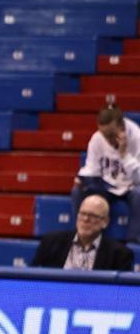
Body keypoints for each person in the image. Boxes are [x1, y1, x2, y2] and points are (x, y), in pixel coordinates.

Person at [71, 103, 140, 244]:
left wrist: (124, 155)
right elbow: (92, 168)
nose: (108, 140)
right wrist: (82, 178)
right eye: (104, 135)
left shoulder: (137, 137)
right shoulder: (97, 138)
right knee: (77, 191)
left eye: (111, 135)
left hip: (132, 186)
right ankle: (82, 237)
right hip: (107, 185)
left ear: (122, 127)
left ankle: (133, 242)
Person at [33, 194, 136, 270]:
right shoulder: (51, 242)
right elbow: (33, 278)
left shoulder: (119, 254)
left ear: (105, 222)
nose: (86, 219)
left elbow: (120, 293)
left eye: (93, 216)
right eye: (82, 214)